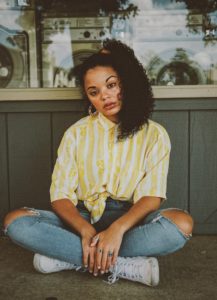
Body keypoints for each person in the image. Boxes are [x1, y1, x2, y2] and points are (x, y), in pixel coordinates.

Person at [3, 39, 193, 287]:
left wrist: (116, 230)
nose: (105, 96)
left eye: (111, 85)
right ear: (89, 98)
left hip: (129, 220)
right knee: (16, 222)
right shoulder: (76, 133)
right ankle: (122, 265)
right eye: (94, 92)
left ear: (126, 84)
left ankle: (68, 258)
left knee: (181, 225)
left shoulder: (154, 134)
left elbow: (152, 197)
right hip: (80, 218)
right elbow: (60, 196)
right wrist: (85, 230)